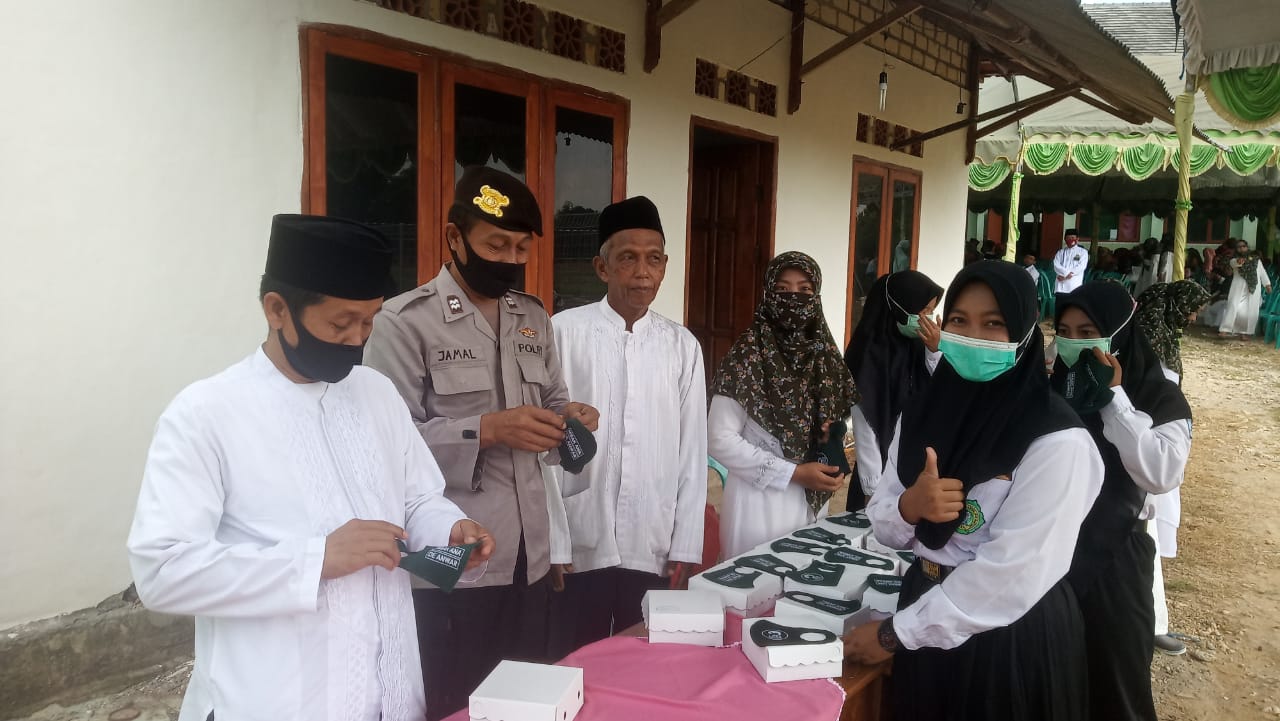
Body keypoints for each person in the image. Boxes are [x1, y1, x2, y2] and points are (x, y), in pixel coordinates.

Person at [127, 215, 495, 721]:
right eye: (340, 324)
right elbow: (163, 570)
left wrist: (449, 529)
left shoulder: (377, 394)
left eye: (368, 322)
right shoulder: (206, 414)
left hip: (391, 697)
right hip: (272, 704)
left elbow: (417, 499)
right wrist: (316, 559)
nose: (356, 339)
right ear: (277, 310)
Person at [364, 167, 599, 720]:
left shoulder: (532, 316)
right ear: (455, 238)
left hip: (529, 559)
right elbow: (385, 447)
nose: (510, 259)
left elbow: (555, 401)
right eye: (496, 245)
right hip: (454, 564)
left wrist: (570, 418)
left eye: (521, 248)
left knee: (531, 702)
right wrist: (487, 429)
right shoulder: (403, 322)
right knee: (458, 704)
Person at [844, 261, 1102, 721]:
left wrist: (894, 635)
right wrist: (909, 507)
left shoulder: (1056, 439)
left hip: (1006, 641)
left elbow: (1012, 573)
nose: (973, 336)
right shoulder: (922, 413)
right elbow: (881, 519)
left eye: (994, 323)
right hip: (922, 606)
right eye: (960, 320)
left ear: (1024, 332)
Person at [547, 196, 707, 652]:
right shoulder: (563, 332)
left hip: (651, 536)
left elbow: (693, 452)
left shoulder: (682, 346)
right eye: (628, 258)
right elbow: (545, 448)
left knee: (642, 659)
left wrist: (685, 543)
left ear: (665, 267)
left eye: (653, 259)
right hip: (580, 537)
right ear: (602, 267)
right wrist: (556, 542)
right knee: (576, 657)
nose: (642, 272)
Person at [1050, 282, 1192, 721]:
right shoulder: (1056, 387)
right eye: (1065, 332)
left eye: (1087, 331)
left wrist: (1113, 399)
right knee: (1056, 675)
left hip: (1116, 554)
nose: (1074, 343)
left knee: (1116, 678)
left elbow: (1160, 473)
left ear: (1119, 333)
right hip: (1051, 549)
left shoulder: (1158, 395)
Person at [710, 252, 859, 558]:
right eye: (782, 289)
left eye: (804, 290)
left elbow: (834, 423)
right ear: (768, 295)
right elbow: (718, 438)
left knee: (804, 579)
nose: (794, 298)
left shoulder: (824, 356)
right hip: (758, 507)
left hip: (810, 506)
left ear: (816, 296)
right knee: (753, 582)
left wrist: (830, 444)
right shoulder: (748, 355)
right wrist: (793, 473)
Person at [843, 271, 943, 511]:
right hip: (880, 473)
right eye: (924, 311)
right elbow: (865, 425)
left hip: (916, 467)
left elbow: (940, 388)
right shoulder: (868, 355)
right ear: (900, 307)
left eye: (932, 311)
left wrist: (935, 350)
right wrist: (873, 490)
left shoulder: (918, 345)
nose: (928, 319)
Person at [1218, 239, 1272, 338]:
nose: (1242, 248)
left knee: (1249, 310)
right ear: (1236, 249)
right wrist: (1239, 261)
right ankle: (1225, 330)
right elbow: (1234, 263)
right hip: (1238, 287)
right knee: (1233, 306)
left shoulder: (1256, 259)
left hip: (1253, 288)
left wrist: (1267, 284)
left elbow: (1262, 273)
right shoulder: (1233, 259)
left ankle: (1244, 333)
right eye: (1239, 247)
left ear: (1247, 247)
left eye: (1243, 246)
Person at [1054, 228, 1089, 293]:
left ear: (1077, 239)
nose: (1070, 240)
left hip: (1074, 284)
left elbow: (1081, 266)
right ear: (1065, 239)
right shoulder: (1060, 252)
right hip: (1060, 285)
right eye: (1068, 238)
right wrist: (1066, 274)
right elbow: (1056, 265)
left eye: (1072, 237)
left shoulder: (1083, 252)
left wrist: (1067, 275)